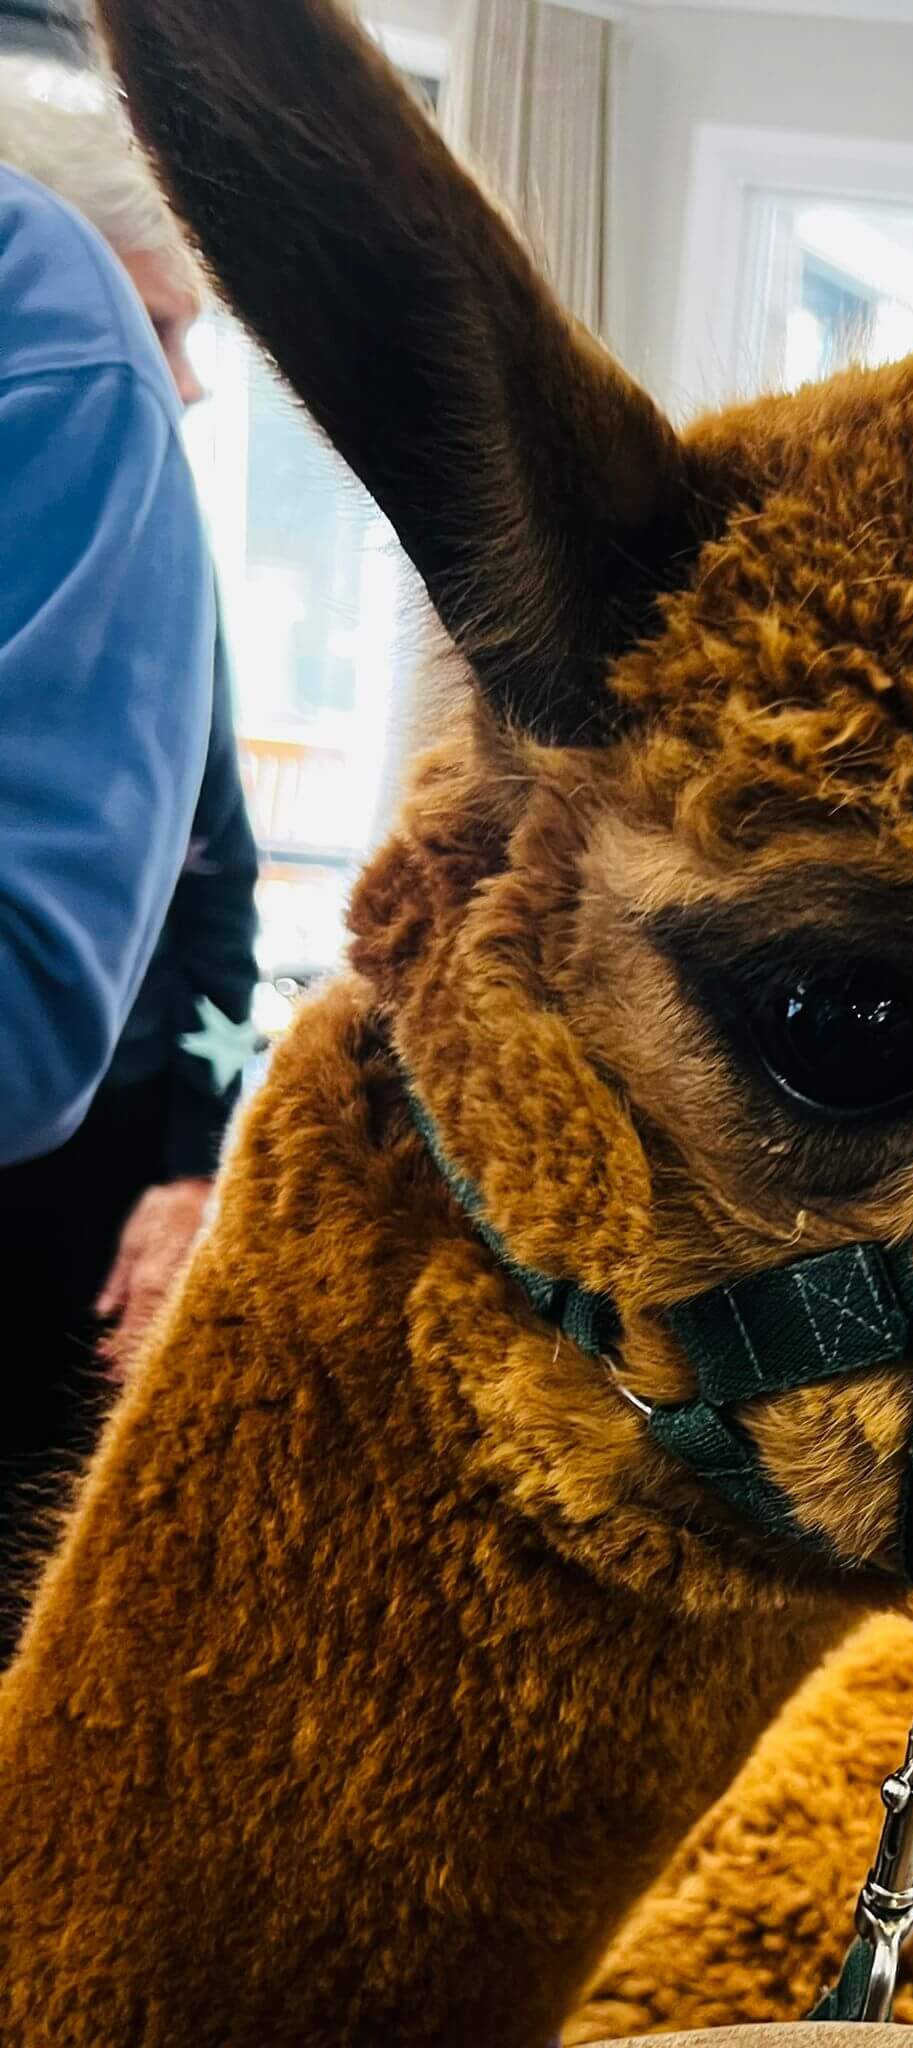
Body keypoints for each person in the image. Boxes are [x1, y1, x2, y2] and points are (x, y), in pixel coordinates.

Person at [0, 61, 256, 1647]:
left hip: (94, 1164)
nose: (186, 381)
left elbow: (224, 886)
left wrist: (192, 1162)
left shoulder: (152, 553)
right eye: (163, 328)